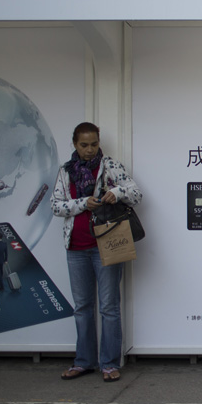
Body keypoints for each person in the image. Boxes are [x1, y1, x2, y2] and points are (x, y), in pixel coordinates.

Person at [50, 122, 142, 383]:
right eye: (84, 145)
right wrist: (83, 203)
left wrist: (116, 192)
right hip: (76, 247)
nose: (89, 150)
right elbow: (55, 206)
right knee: (82, 307)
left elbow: (136, 194)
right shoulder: (66, 171)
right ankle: (83, 362)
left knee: (109, 306)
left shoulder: (110, 166)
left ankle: (110, 364)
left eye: (94, 144)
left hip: (107, 244)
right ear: (75, 144)